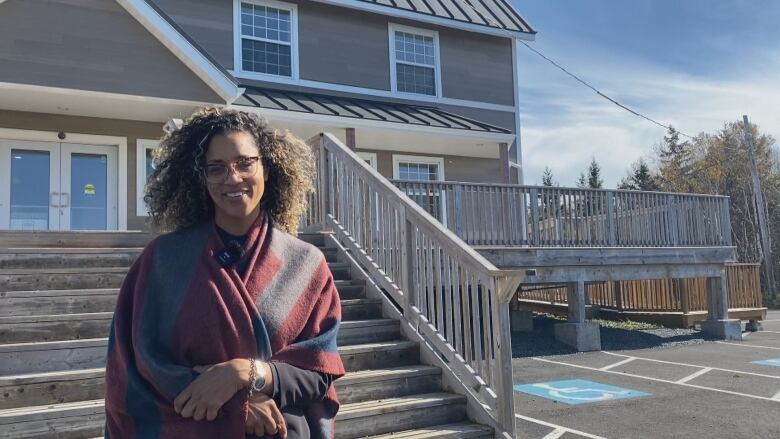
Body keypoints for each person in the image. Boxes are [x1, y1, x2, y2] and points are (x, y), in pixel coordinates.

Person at [104, 107, 345, 438]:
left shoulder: (307, 264)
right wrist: (237, 407)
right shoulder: (162, 261)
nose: (233, 178)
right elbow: (136, 368)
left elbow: (320, 370)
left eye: (245, 163)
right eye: (216, 169)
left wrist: (245, 374)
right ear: (200, 178)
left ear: (268, 167)